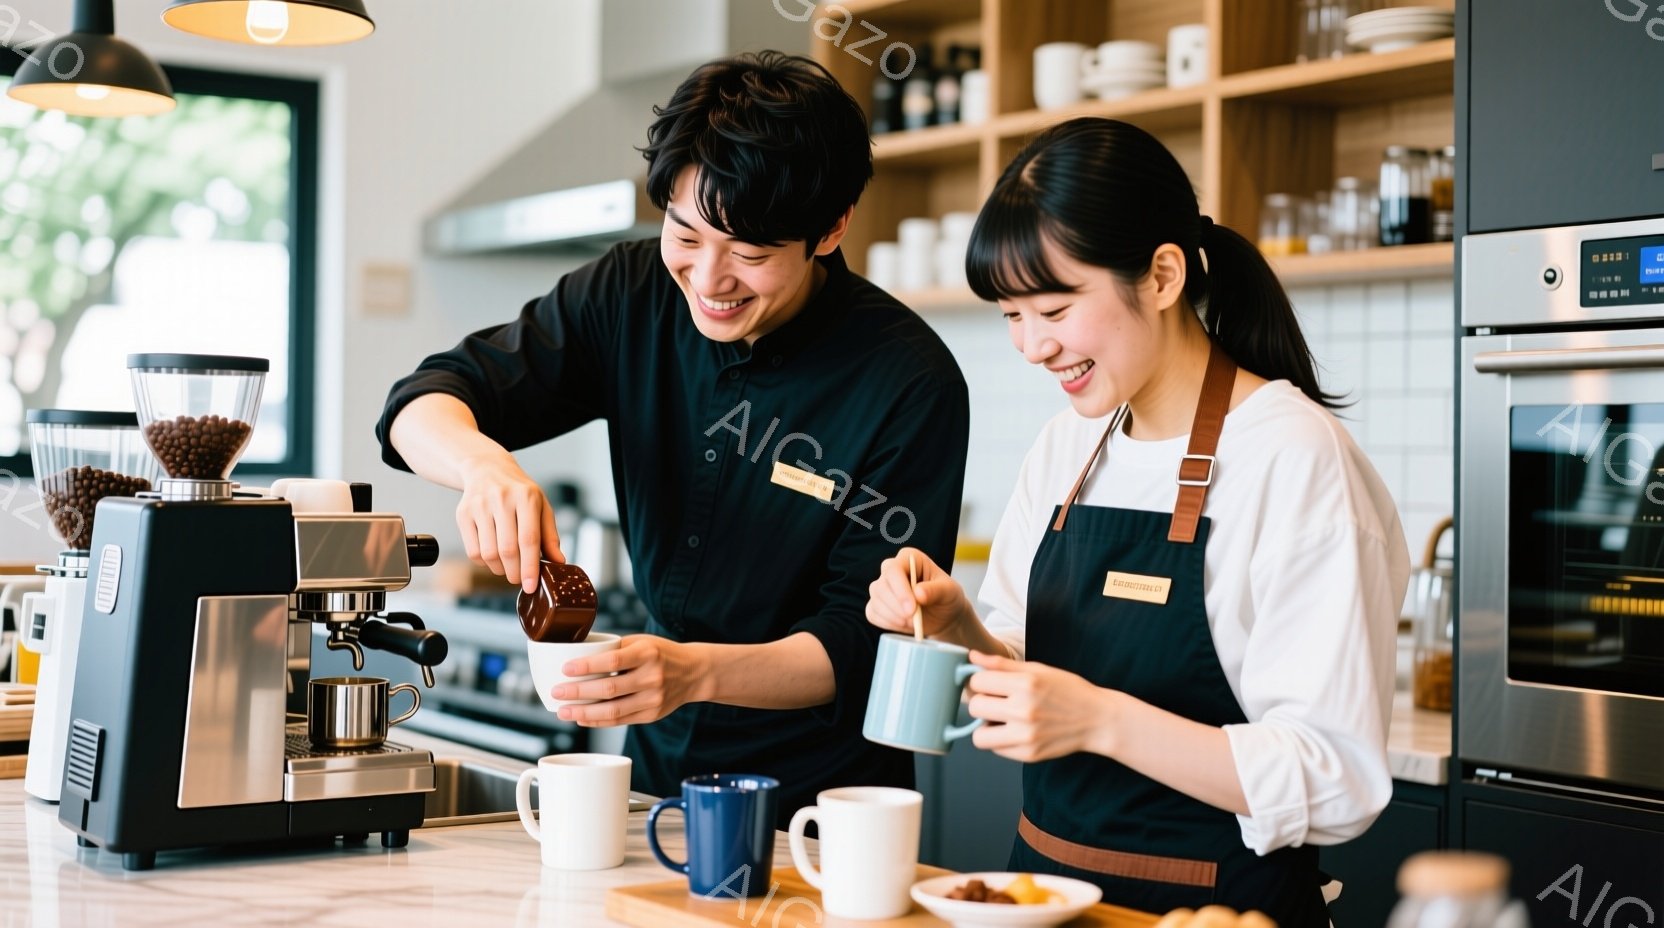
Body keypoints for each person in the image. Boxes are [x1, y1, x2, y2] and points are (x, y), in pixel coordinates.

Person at [378, 51, 970, 825]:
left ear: (830, 230)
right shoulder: (629, 292)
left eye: (751, 254)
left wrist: (691, 672)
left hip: (826, 805)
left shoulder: (908, 380)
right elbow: (418, 404)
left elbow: (860, 642)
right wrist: (485, 465)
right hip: (656, 774)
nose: (709, 279)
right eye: (684, 234)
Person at [864, 118, 1409, 926]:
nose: (1031, 346)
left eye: (1052, 307)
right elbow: (1012, 673)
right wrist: (958, 630)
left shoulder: (1294, 458)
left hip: (1218, 912)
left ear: (1160, 275)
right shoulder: (1070, 443)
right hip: (1041, 899)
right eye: (1012, 315)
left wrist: (1102, 718)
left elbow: (1335, 777)